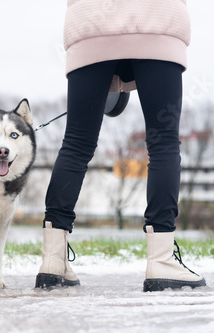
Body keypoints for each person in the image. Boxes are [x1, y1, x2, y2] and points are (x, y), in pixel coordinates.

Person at [35, 0, 206, 292]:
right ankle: (161, 260)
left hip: (91, 24)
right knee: (163, 142)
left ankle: (53, 259)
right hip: (156, 18)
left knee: (76, 144)